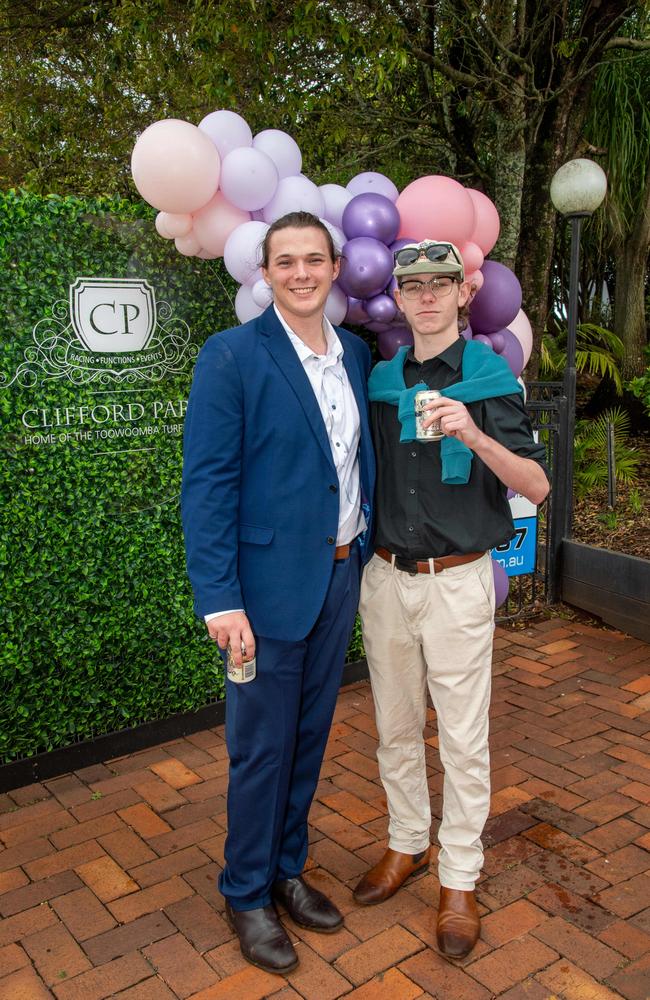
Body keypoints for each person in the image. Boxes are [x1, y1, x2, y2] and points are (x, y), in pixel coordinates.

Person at [181, 211, 375, 975]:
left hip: (338, 575)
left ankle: (286, 870)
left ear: (333, 268)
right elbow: (208, 486)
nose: (301, 272)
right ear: (265, 273)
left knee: (310, 737)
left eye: (313, 259)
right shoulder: (231, 357)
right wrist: (220, 599)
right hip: (263, 594)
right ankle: (245, 892)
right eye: (285, 261)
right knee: (261, 749)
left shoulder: (355, 354)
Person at [353, 240, 549, 960]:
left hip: (458, 582)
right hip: (386, 579)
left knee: (463, 739)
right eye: (414, 287)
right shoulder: (380, 380)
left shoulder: (488, 377)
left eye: (440, 284)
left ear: (463, 295)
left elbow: (536, 486)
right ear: (397, 300)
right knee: (395, 728)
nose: (427, 297)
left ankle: (460, 875)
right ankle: (408, 844)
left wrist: (472, 431)